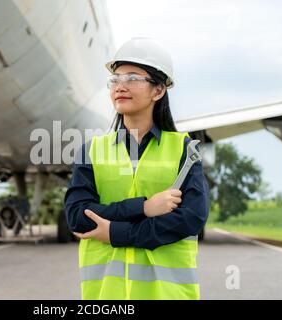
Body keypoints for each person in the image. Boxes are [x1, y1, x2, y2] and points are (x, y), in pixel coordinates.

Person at [64, 37, 210, 300]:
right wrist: (144, 208)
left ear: (158, 90)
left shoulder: (183, 150)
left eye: (132, 78)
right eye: (115, 79)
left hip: (167, 295)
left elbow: (191, 219)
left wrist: (115, 232)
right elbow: (77, 217)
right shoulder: (92, 150)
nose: (120, 86)